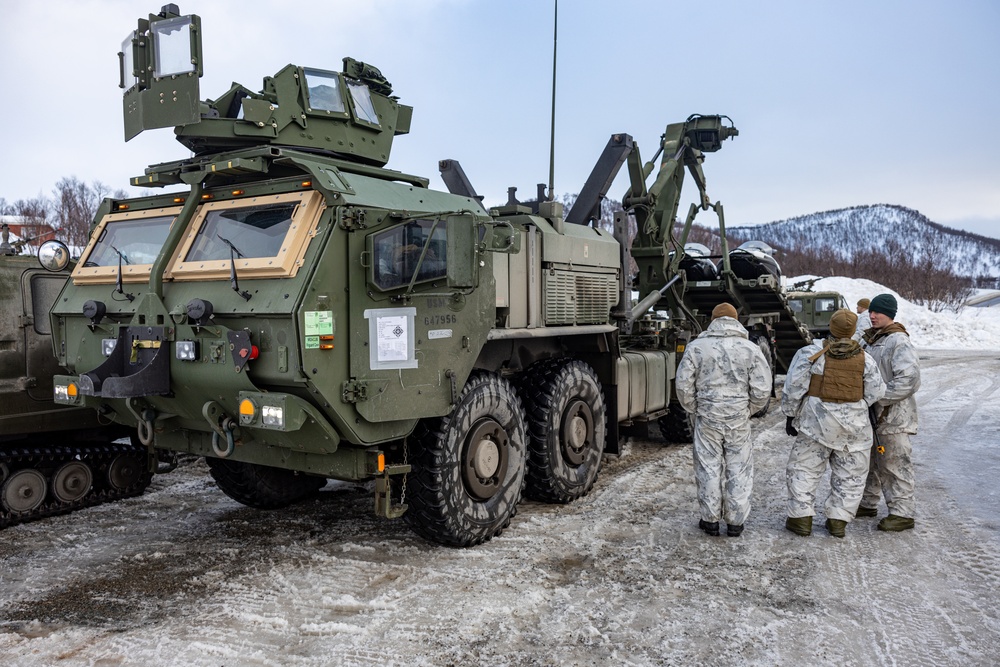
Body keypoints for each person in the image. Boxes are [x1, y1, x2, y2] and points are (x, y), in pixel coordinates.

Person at [782, 309, 886, 538]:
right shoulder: (865, 358)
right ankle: (838, 521)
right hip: (854, 427)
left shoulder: (811, 353)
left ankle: (801, 519)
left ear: (831, 327)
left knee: (804, 469)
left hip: (815, 424)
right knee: (851, 474)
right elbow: (877, 391)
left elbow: (794, 387)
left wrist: (791, 415)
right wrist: (854, 404)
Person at [675, 302, 772, 537]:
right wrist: (746, 410)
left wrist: (697, 408)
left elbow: (683, 386)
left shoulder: (697, 347)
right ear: (735, 320)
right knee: (739, 468)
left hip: (708, 416)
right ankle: (735, 523)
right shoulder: (750, 349)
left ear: (713, 320)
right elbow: (762, 389)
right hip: (738, 418)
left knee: (708, 467)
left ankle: (709, 520)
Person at [855, 293, 921, 531]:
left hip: (892, 417)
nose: (872, 316)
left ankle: (903, 513)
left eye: (878, 312)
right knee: (872, 462)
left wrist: (878, 397)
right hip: (874, 416)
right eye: (871, 311)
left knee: (895, 463)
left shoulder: (898, 341)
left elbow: (909, 380)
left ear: (890, 314)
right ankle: (868, 503)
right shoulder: (873, 339)